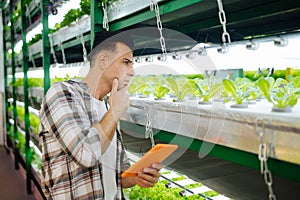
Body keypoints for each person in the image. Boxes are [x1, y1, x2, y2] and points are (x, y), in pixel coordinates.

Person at [38, 32, 162, 199]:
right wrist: (115, 111)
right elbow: (86, 155)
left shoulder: (107, 106)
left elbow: (118, 175)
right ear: (103, 61)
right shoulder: (62, 94)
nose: (132, 72)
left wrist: (138, 175)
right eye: (126, 62)